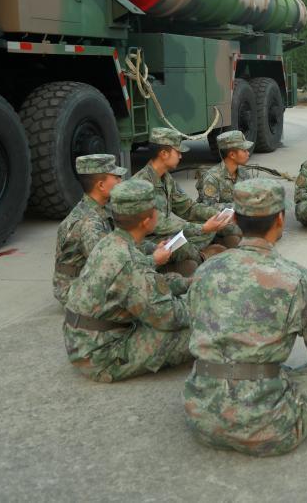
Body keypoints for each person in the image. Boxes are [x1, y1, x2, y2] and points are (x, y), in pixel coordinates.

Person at [183, 178, 307, 456]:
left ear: (235, 219)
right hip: (265, 426)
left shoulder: (205, 270)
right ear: (280, 219)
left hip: (200, 416)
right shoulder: (295, 278)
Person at [63, 179, 193, 383]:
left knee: (175, 284)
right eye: (155, 211)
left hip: (83, 339)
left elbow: (147, 284)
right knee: (200, 327)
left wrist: (187, 283)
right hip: (102, 355)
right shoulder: (128, 261)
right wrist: (202, 299)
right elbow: (167, 317)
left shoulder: (111, 241)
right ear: (146, 222)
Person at [132, 127, 235, 274]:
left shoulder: (166, 178)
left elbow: (188, 207)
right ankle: (203, 261)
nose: (181, 156)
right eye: (178, 152)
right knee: (184, 244)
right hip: (145, 241)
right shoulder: (140, 185)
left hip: (162, 234)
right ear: (164, 154)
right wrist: (202, 228)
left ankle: (188, 258)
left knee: (208, 230)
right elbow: (159, 225)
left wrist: (216, 215)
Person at [52, 154, 128, 306]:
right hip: (75, 289)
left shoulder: (101, 207)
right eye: (116, 178)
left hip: (90, 277)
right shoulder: (89, 223)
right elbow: (108, 266)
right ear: (101, 185)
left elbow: (122, 241)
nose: (120, 181)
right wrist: (151, 259)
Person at [197, 129, 257, 210]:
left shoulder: (243, 174)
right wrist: (238, 206)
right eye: (244, 150)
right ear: (232, 155)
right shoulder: (212, 178)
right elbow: (209, 207)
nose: (248, 153)